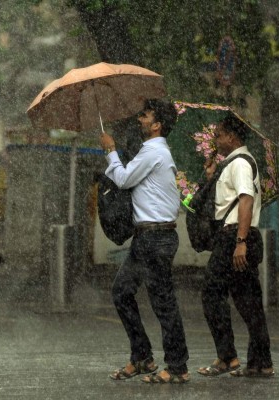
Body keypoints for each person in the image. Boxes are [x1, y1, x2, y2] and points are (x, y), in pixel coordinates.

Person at [100, 99, 190, 384]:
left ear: (157, 125)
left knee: (163, 302)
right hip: (147, 238)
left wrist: (111, 151)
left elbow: (124, 179)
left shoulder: (154, 152)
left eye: (145, 116)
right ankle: (142, 358)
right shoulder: (153, 152)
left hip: (156, 238)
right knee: (122, 291)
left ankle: (177, 366)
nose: (140, 119)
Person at [197, 115, 274, 378]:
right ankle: (260, 363)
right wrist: (211, 175)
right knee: (247, 300)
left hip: (235, 237)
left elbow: (245, 201)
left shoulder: (240, 163)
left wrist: (240, 242)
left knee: (211, 292)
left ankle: (227, 357)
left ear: (233, 137)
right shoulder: (231, 164)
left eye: (219, 135)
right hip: (238, 236)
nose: (216, 140)